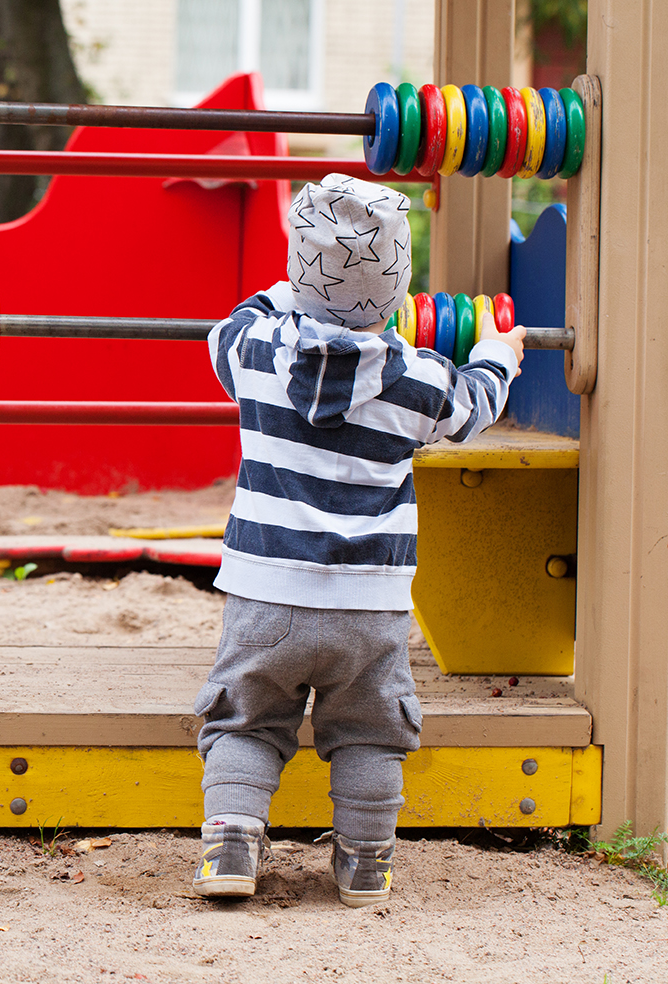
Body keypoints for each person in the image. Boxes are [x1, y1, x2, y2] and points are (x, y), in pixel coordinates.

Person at [192, 173, 526, 907]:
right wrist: (499, 352)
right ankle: (367, 862)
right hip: (370, 606)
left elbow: (229, 325)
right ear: (400, 291)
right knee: (371, 732)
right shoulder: (420, 380)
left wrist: (288, 294)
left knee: (246, 718)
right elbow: (476, 405)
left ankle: (230, 846)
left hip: (265, 595)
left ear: (296, 274)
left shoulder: (254, 350)